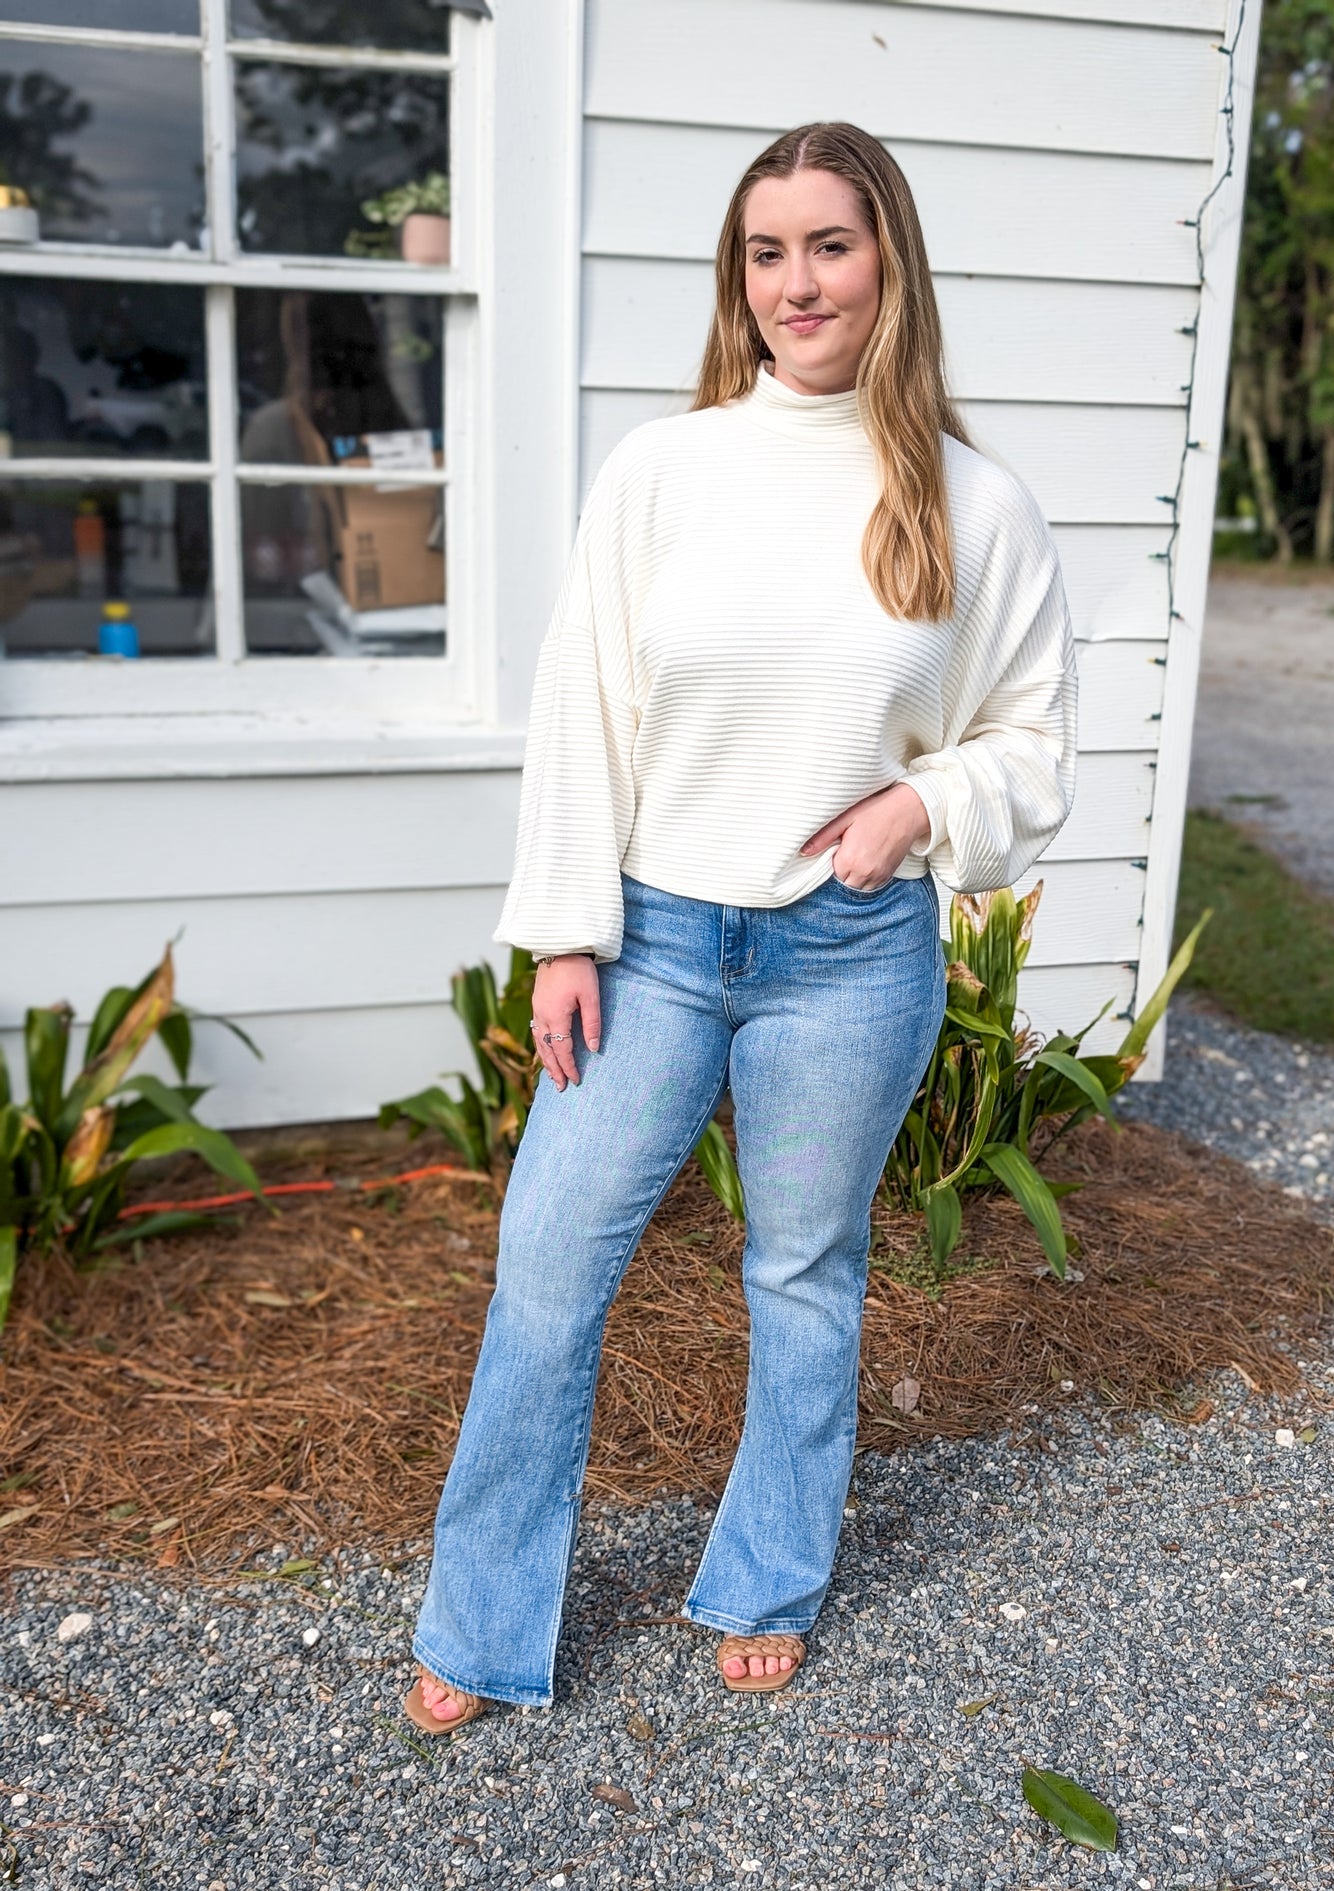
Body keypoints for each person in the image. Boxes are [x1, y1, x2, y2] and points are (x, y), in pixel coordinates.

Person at [405, 121, 1078, 1732]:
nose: (797, 281)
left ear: (887, 261)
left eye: (828, 245)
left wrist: (916, 811)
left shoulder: (975, 507)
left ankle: (767, 1576)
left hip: (845, 962)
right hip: (650, 941)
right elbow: (584, 709)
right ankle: (482, 1620)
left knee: (801, 1268)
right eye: (765, 251)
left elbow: (1033, 740)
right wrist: (565, 932)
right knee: (550, 1265)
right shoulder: (663, 469)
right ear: (738, 277)